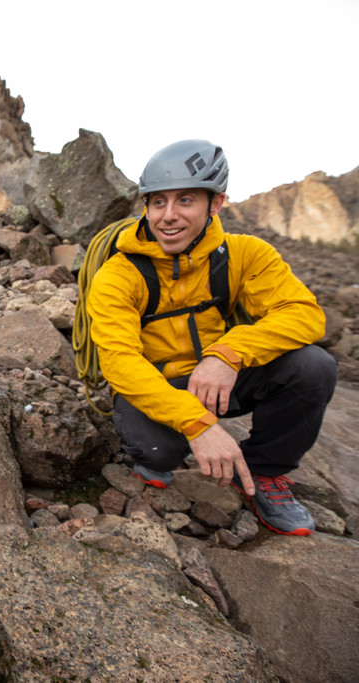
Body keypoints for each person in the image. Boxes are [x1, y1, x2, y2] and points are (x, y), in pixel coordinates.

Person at [87, 139, 337, 535]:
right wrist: (198, 425)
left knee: (313, 367)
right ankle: (172, 446)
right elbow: (120, 362)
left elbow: (304, 315)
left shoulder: (245, 254)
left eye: (185, 200)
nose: (167, 216)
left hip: (218, 378)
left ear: (215, 204)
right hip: (157, 385)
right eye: (157, 202)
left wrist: (228, 353)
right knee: (158, 452)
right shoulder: (118, 274)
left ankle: (264, 471)